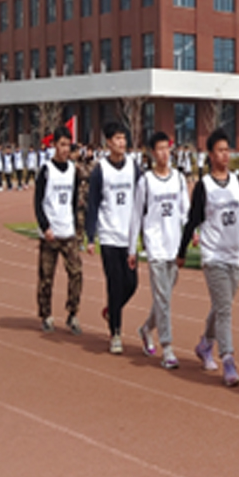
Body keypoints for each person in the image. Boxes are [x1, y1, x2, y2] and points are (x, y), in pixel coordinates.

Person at [177, 127, 239, 387]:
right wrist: (182, 252)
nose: (225, 155)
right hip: (213, 255)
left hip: (234, 255)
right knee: (225, 308)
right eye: (220, 150)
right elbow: (192, 221)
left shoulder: (238, 182)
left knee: (221, 305)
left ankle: (205, 344)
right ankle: (227, 358)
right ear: (211, 154)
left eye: (228, 150)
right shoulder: (204, 186)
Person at [128, 131, 190, 368]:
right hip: (155, 246)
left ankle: (146, 329)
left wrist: (191, 232)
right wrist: (132, 248)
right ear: (153, 153)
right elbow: (136, 216)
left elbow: (185, 209)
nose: (165, 153)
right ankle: (168, 348)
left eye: (168, 148)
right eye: (160, 149)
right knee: (163, 298)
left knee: (164, 297)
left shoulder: (179, 179)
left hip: (174, 246)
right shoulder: (146, 181)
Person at [86, 123, 140, 354]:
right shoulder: (100, 171)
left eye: (123, 138)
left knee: (131, 283)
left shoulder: (134, 168)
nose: (121, 143)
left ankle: (112, 309)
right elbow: (93, 205)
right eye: (117, 139)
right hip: (109, 236)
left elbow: (142, 197)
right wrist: (90, 237)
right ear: (108, 142)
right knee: (114, 283)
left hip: (129, 237)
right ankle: (115, 332)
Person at [34, 126, 83, 335]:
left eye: (68, 145)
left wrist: (76, 226)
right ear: (54, 145)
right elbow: (37, 202)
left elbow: (73, 201)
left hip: (68, 231)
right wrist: (45, 227)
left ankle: (72, 313)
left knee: (76, 273)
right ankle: (46, 314)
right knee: (46, 276)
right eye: (61, 144)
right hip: (51, 233)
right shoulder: (46, 170)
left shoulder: (73, 170)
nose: (65, 149)